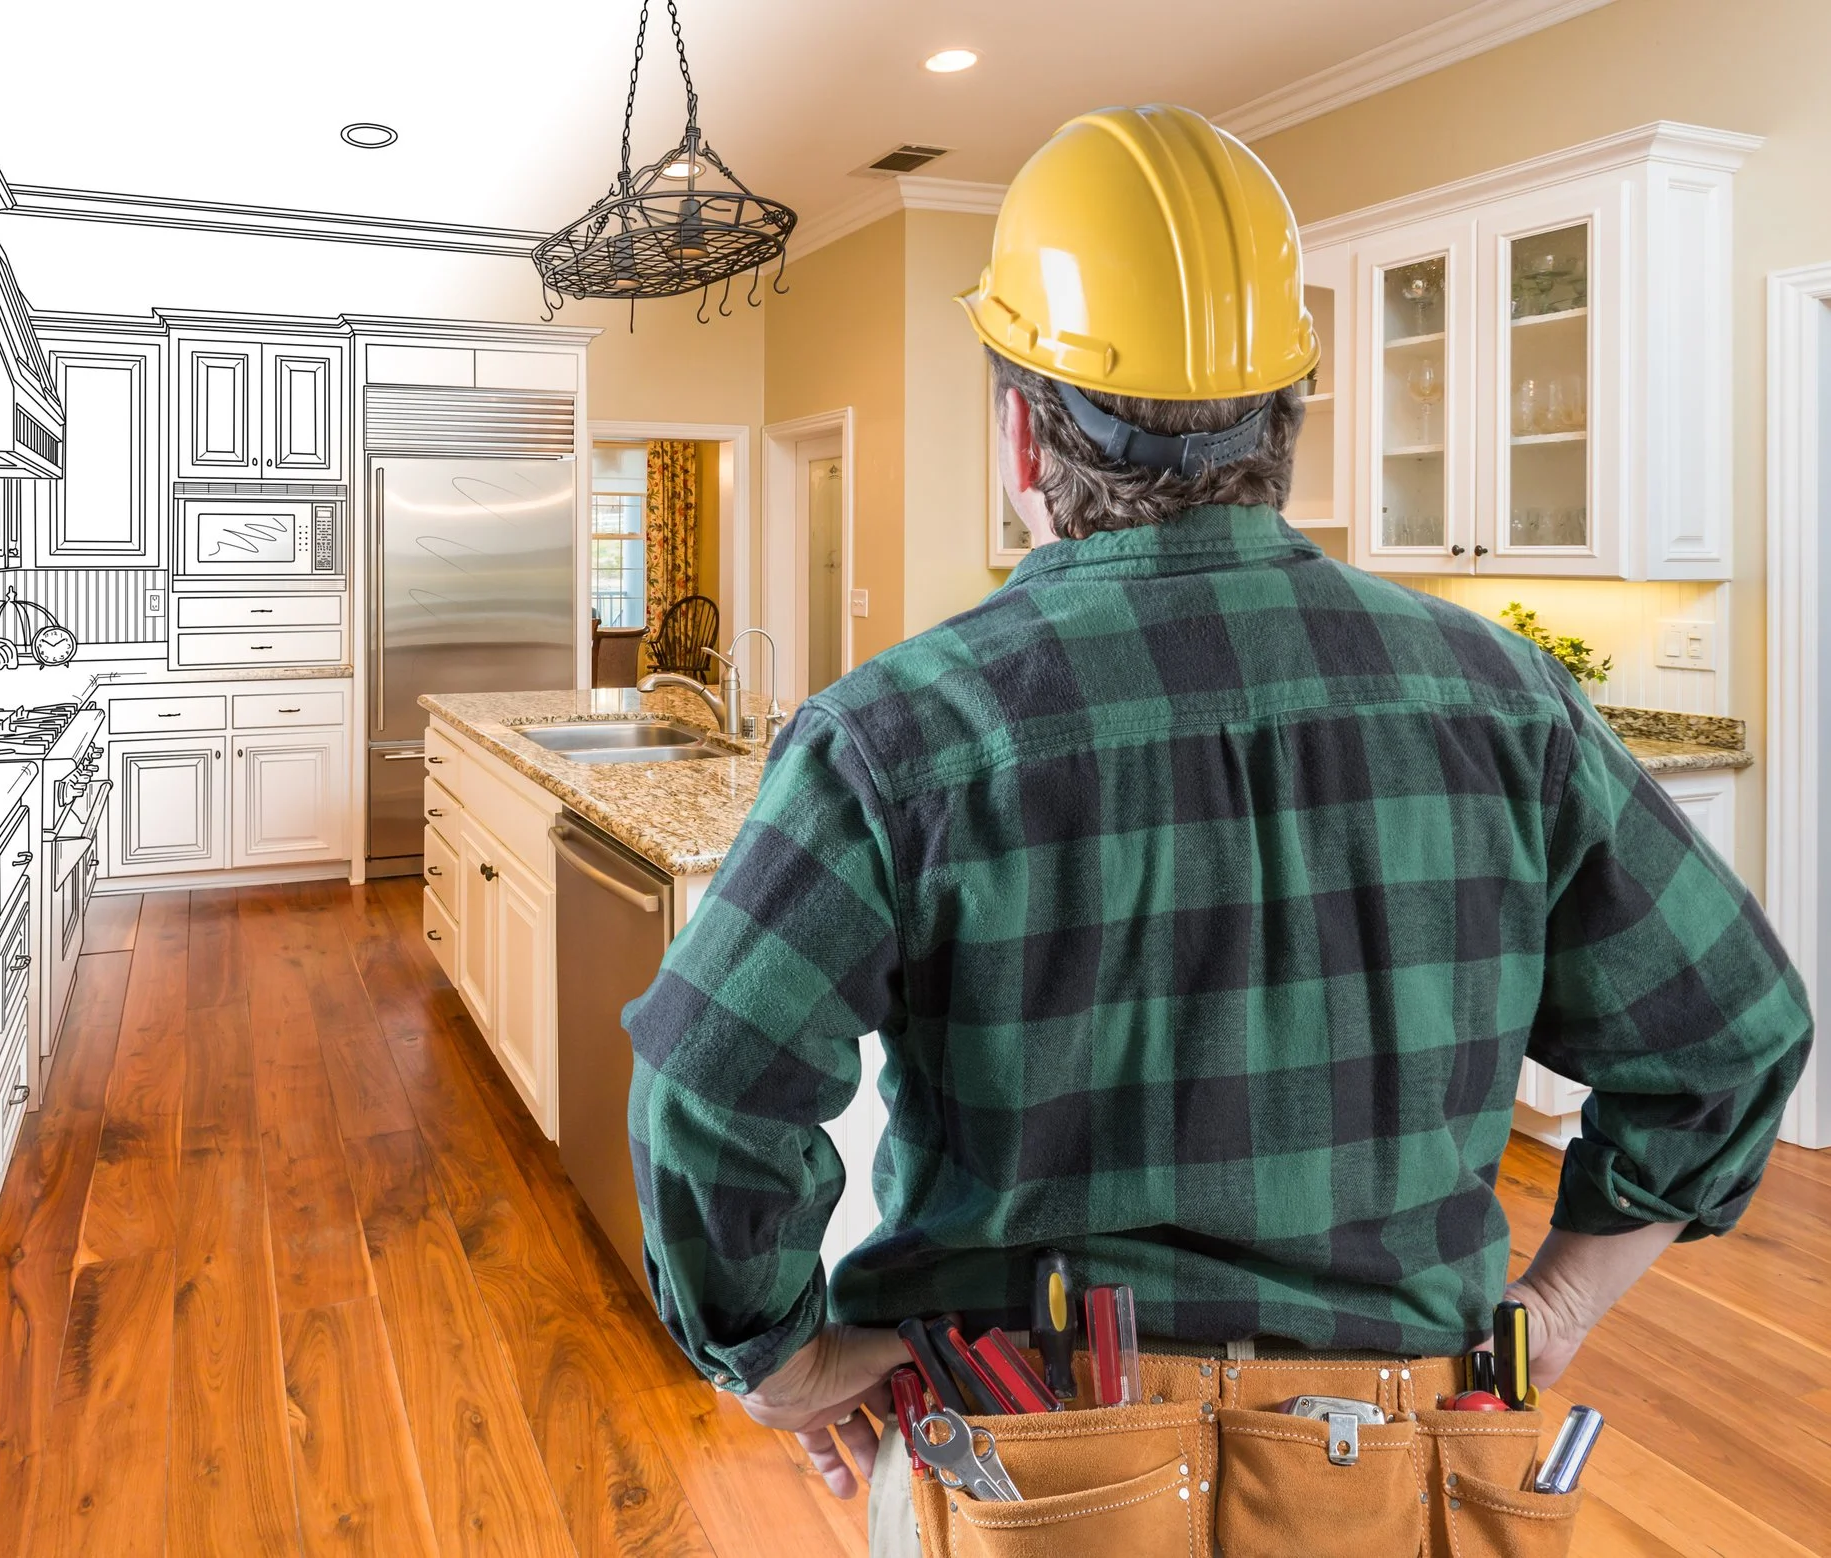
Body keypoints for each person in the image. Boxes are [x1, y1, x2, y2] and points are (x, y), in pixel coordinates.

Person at [620, 104, 1810, 1552]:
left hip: (1026, 1457)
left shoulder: (898, 735)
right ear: (1288, 422)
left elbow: (711, 1087)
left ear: (1017, 429)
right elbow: (1733, 1036)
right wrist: (1555, 1301)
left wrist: (782, 1358)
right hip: (1402, 1463)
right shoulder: (1503, 700)